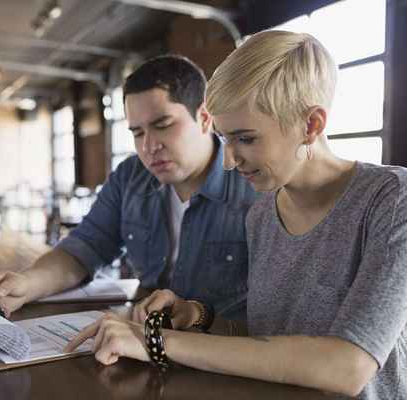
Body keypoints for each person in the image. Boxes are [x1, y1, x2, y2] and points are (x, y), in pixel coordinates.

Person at [65, 31, 407, 399]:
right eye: (227, 140)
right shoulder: (262, 212)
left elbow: (346, 366)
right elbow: (268, 343)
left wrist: (157, 342)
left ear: (311, 125)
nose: (229, 160)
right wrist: (198, 316)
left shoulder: (391, 199)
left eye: (246, 139)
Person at [0, 55, 255, 321]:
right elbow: (83, 249)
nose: (149, 147)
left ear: (205, 118)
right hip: (144, 342)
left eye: (163, 125)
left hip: (224, 355)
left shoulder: (253, 182)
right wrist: (28, 283)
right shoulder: (130, 177)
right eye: (137, 132)